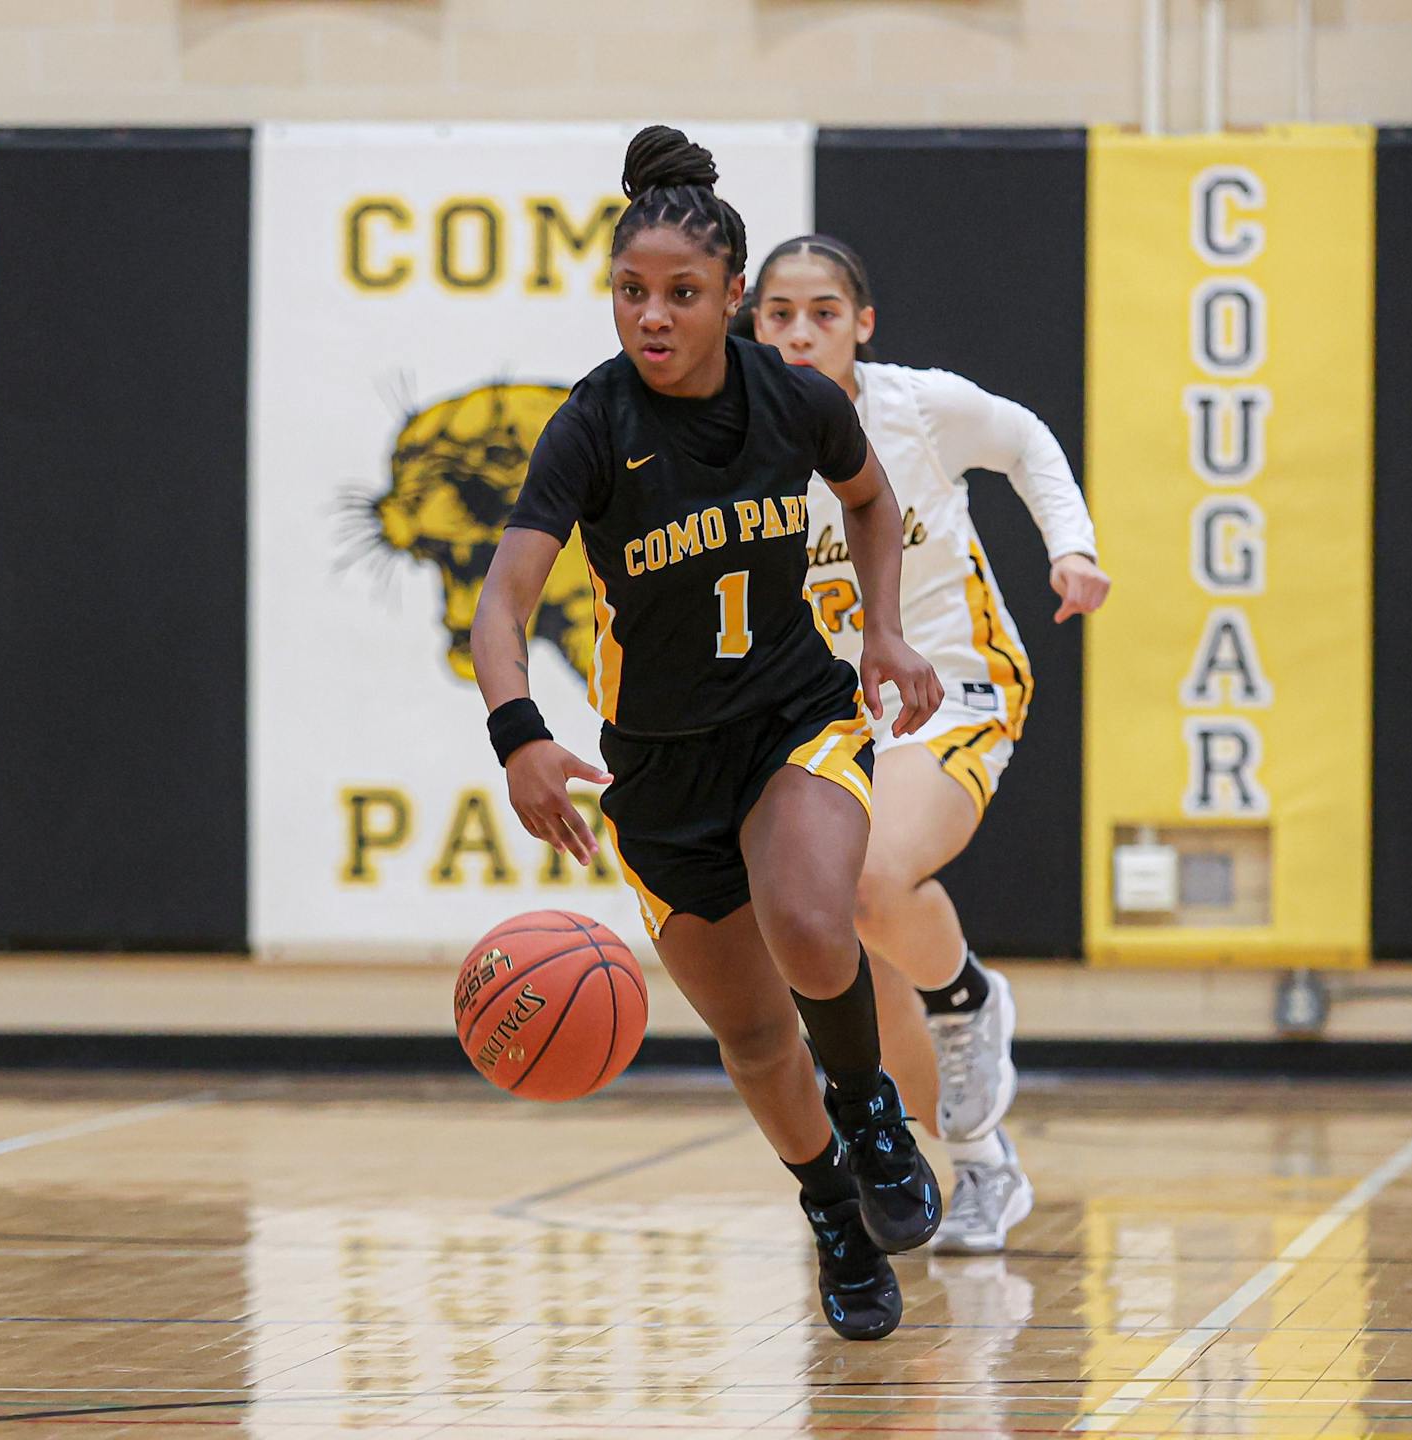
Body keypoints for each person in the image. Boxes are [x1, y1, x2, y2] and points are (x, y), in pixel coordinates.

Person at [471, 126, 947, 1342]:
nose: (653, 316)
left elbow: (873, 501)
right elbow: (501, 605)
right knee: (747, 1030)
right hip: (661, 772)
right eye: (633, 292)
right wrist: (520, 733)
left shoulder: (790, 400)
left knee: (806, 917)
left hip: (793, 714)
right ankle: (833, 1211)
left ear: (733, 299)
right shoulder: (592, 424)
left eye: (682, 294)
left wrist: (884, 632)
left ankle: (871, 1106)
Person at [744, 234, 1109, 1253]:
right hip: (829, 718)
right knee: (847, 949)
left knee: (869, 884)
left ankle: (968, 999)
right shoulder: (731, 437)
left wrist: (1070, 547)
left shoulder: (913, 407)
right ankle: (983, 1167)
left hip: (954, 687)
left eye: (824, 311)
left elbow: (1027, 437)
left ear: (863, 325)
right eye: (780, 313)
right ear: (753, 325)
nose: (802, 329)